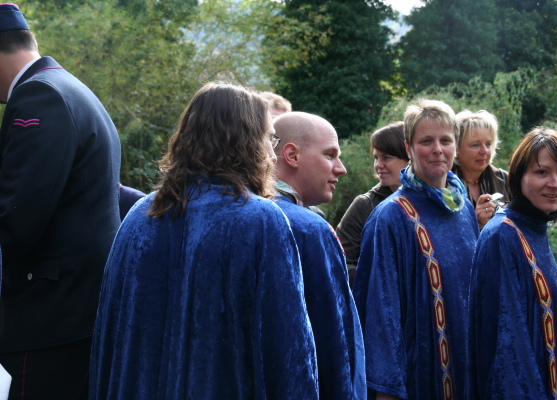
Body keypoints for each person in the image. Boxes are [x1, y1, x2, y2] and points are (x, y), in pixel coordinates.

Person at [90, 83, 319, 399]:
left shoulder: (142, 213)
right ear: (247, 141)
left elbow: (109, 334)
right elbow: (287, 344)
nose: (271, 153)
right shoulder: (261, 220)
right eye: (268, 138)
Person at [0, 4, 121, 399]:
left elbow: (16, 218)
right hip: (74, 310)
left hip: (49, 314)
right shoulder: (66, 86)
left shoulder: (38, 97)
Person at [353, 99, 479, 399]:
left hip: (466, 367)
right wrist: (386, 389)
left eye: (445, 140)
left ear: (456, 146)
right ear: (409, 149)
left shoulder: (464, 209)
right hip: (418, 376)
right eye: (426, 141)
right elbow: (380, 312)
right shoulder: (391, 216)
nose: (438, 149)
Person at [469, 127, 557, 399]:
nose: (555, 183)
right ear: (519, 176)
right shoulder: (503, 235)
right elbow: (507, 355)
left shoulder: (532, 227)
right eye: (542, 172)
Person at [273, 111, 366, 399]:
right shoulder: (308, 228)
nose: (341, 169)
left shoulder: (240, 215)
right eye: (329, 155)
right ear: (292, 155)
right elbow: (335, 339)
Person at [336, 122, 409, 286]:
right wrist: (381, 284)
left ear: (409, 155)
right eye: (376, 158)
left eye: (386, 157)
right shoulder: (364, 205)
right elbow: (340, 262)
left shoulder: (435, 200)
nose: (378, 165)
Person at [453, 110, 510, 229]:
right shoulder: (443, 184)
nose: (484, 151)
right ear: (456, 148)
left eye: (488, 144)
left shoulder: (506, 180)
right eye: (476, 145)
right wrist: (477, 223)